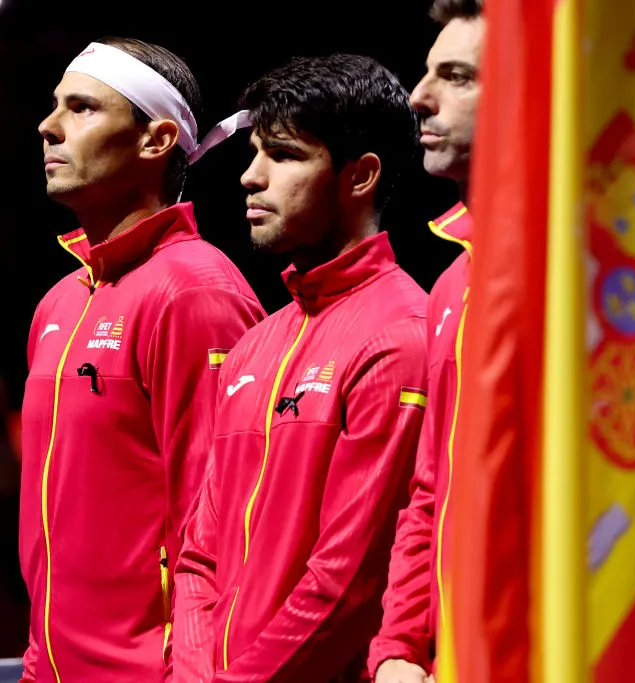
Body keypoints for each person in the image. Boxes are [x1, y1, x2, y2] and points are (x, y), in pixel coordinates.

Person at [172, 53, 427, 682]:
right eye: (255, 152)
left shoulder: (401, 337)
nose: (249, 178)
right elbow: (199, 556)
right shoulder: (254, 347)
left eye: (283, 156)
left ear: (360, 175)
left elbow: (350, 580)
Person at [21, 37, 264, 682]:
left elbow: (218, 523)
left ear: (155, 141)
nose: (47, 127)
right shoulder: (58, 305)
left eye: (80, 108)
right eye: (53, 108)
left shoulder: (195, 292)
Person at [368, 2, 484, 682]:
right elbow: (430, 491)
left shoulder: (593, 280)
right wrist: (401, 648)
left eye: (459, 76)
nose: (419, 95)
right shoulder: (453, 284)